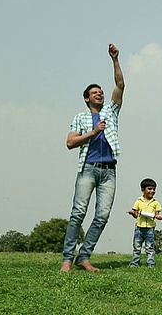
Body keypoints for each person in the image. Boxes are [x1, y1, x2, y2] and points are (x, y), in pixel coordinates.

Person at [60, 43, 125, 273]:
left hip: (109, 171)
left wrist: (115, 59)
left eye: (101, 92)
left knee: (102, 215)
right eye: (95, 92)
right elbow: (70, 142)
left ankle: (84, 256)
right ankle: (68, 259)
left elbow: (119, 85)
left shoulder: (110, 112)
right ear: (87, 98)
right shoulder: (80, 117)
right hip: (88, 168)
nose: (100, 93)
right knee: (78, 212)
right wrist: (93, 132)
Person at [127, 178, 162, 267]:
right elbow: (136, 214)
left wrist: (159, 217)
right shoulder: (138, 201)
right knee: (137, 247)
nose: (152, 191)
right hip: (139, 227)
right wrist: (133, 213)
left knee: (149, 247)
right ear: (143, 190)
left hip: (150, 227)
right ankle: (135, 263)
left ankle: (150, 264)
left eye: (154, 189)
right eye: (149, 189)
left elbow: (157, 214)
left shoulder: (155, 203)